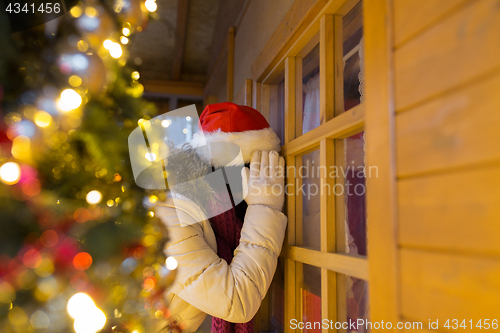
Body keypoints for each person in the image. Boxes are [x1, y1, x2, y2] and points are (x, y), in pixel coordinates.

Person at [154, 102, 287, 333]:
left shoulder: (213, 217)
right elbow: (237, 301)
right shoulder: (171, 215)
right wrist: (265, 205)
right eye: (242, 172)